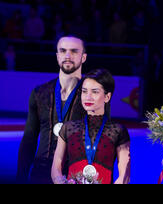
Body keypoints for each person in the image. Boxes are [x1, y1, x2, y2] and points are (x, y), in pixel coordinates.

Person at [17, 36, 87, 184]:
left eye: (74, 51)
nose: (67, 56)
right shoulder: (39, 93)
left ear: (84, 57)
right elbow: (29, 139)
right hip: (41, 172)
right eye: (63, 51)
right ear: (57, 56)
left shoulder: (93, 95)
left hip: (76, 174)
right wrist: (21, 177)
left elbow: (102, 143)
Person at [51, 69, 131, 184]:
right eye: (84, 91)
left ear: (107, 97)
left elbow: (124, 175)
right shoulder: (68, 128)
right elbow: (56, 167)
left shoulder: (118, 131)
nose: (88, 97)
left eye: (94, 92)